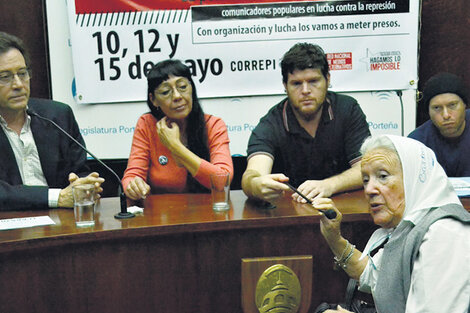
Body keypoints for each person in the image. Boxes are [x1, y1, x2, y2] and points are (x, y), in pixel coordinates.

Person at [317, 135, 470, 313]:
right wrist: (334, 237)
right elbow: (374, 277)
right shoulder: (411, 226)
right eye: (366, 180)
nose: (369, 190)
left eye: (382, 176)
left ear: (413, 179)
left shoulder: (444, 235)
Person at [242, 43, 370, 203]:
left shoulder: (347, 109)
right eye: (296, 83)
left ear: (327, 79)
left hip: (343, 210)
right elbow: (252, 176)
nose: (305, 90)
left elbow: (366, 169)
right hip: (291, 216)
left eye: (313, 81)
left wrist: (329, 185)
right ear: (285, 86)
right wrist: (256, 185)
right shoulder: (272, 122)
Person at [0, 32, 104, 211]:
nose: (18, 84)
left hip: (62, 224)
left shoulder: (58, 116)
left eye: (22, 73)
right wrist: (58, 197)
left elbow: (81, 170)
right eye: (5, 77)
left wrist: (84, 185)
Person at [122, 59, 233, 199]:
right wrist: (133, 186)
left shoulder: (213, 125)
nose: (177, 96)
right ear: (153, 99)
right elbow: (131, 176)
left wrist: (176, 147)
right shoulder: (147, 124)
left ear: (192, 88)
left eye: (182, 87)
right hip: (163, 217)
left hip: (209, 213)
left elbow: (223, 181)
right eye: (165, 92)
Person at [408, 72, 469, 177]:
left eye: (452, 105)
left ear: (464, 105)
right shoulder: (417, 143)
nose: (446, 115)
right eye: (437, 108)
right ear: (428, 112)